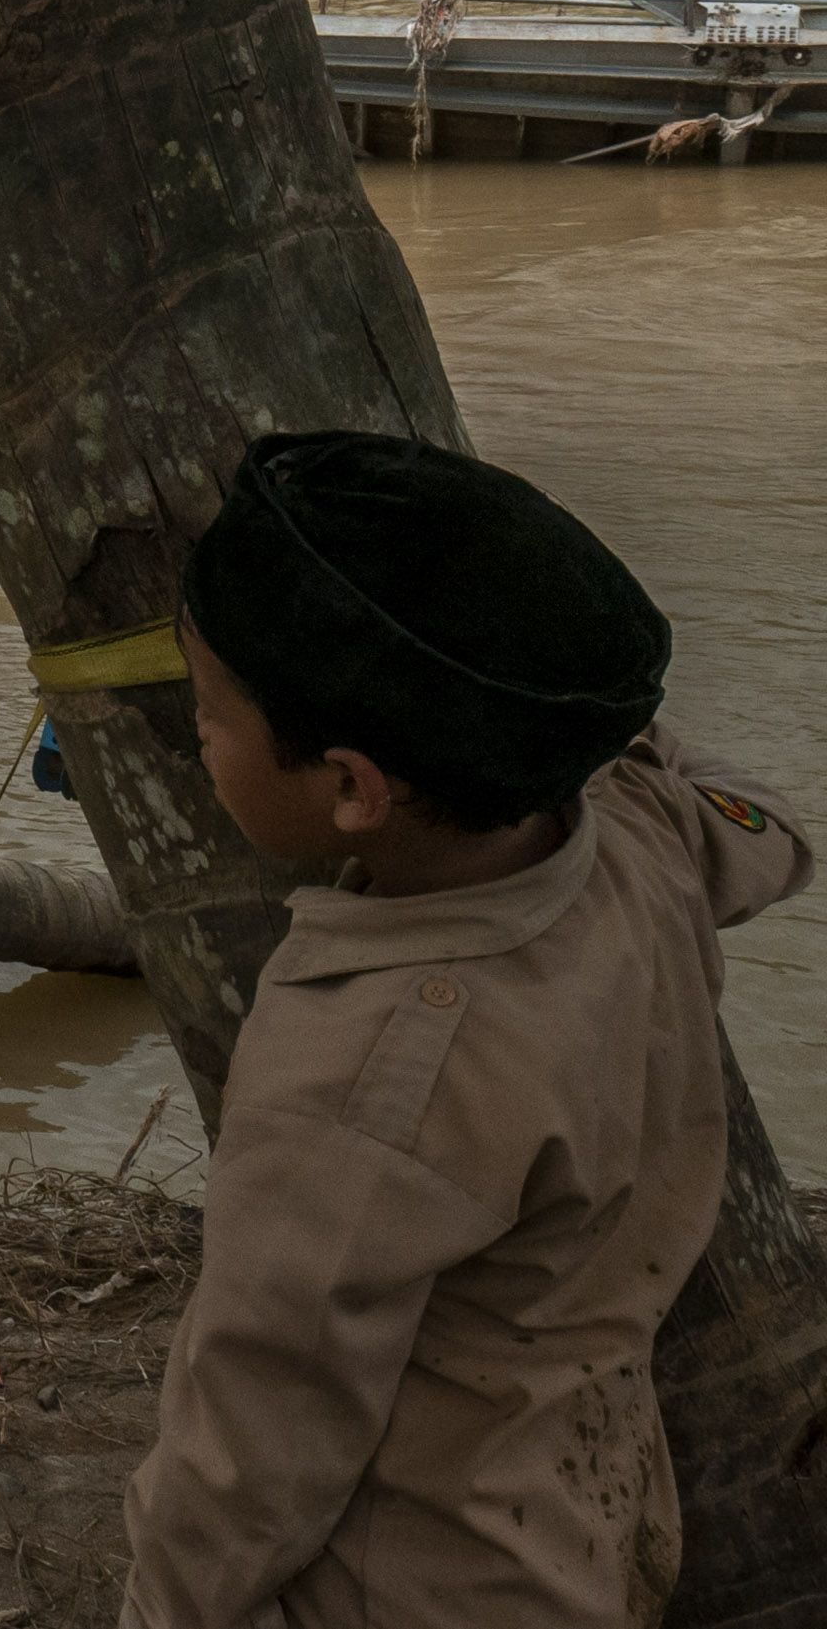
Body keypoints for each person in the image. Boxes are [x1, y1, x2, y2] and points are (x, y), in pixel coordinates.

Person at [123, 431, 808, 1629]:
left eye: (206, 710)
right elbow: (772, 829)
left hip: (415, 1586)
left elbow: (253, 1444)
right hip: (587, 1526)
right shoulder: (640, 841)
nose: (194, 737)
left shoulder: (360, 1069)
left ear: (352, 787)